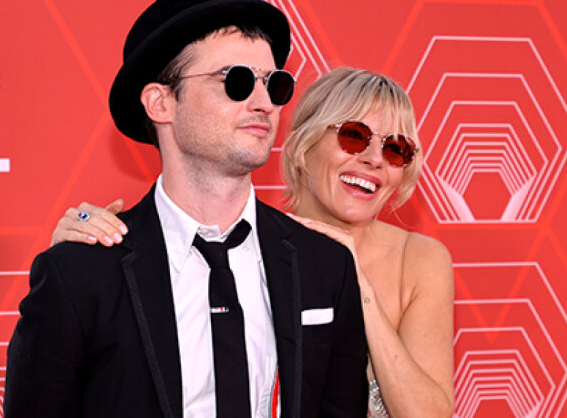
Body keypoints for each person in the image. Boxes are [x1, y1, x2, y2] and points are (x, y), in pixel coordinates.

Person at [4, 0, 368, 418]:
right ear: (161, 103)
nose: (264, 103)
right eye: (235, 81)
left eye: (275, 84)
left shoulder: (323, 265)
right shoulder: (80, 275)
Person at [54, 68, 455, 417]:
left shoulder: (419, 260)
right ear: (302, 146)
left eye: (396, 149)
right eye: (353, 136)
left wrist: (356, 287)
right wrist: (78, 254)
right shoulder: (241, 245)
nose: (374, 159)